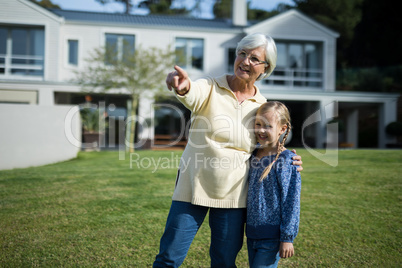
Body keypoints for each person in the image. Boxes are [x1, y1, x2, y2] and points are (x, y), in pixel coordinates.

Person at [153, 33, 302, 268]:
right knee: (169, 257)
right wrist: (183, 87)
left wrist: (287, 158)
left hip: (233, 194)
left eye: (254, 58)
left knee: (223, 262)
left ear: (265, 67)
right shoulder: (211, 86)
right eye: (242, 54)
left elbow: (269, 141)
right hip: (193, 185)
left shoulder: (261, 105)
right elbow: (193, 93)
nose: (245, 61)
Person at [247, 101, 301, 268]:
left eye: (268, 126)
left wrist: (287, 238)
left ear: (282, 129)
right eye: (258, 124)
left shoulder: (286, 160)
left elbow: (291, 202)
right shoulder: (251, 154)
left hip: (273, 236)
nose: (261, 130)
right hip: (252, 233)